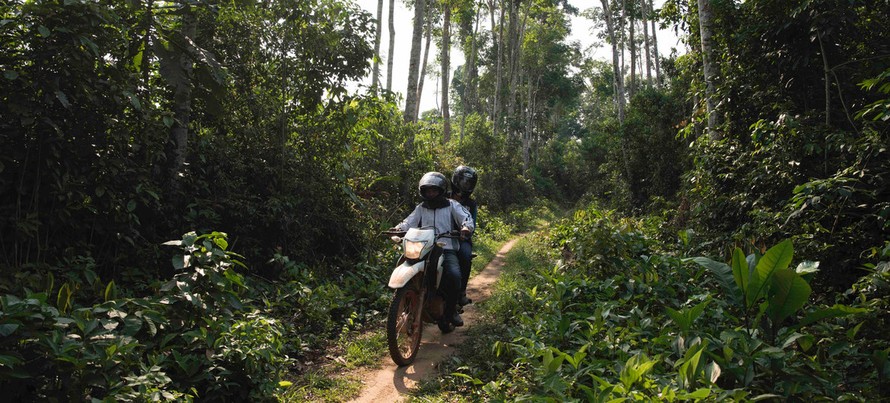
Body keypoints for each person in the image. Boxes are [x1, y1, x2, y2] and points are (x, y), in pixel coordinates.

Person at [392, 172, 474, 327]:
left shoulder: (452, 205)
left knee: (455, 276)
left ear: (441, 190)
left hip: (446, 248)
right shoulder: (421, 208)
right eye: (427, 190)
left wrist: (465, 228)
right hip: (424, 248)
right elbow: (408, 222)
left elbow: (466, 218)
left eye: (434, 190)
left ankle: (451, 312)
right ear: (422, 192)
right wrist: (397, 228)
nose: (430, 193)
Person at [450, 166, 478, 307]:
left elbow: (472, 221)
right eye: (462, 182)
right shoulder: (443, 197)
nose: (464, 185)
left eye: (468, 183)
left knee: (466, 256)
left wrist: (465, 232)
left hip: (462, 239)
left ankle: (461, 292)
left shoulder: (471, 204)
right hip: (440, 237)